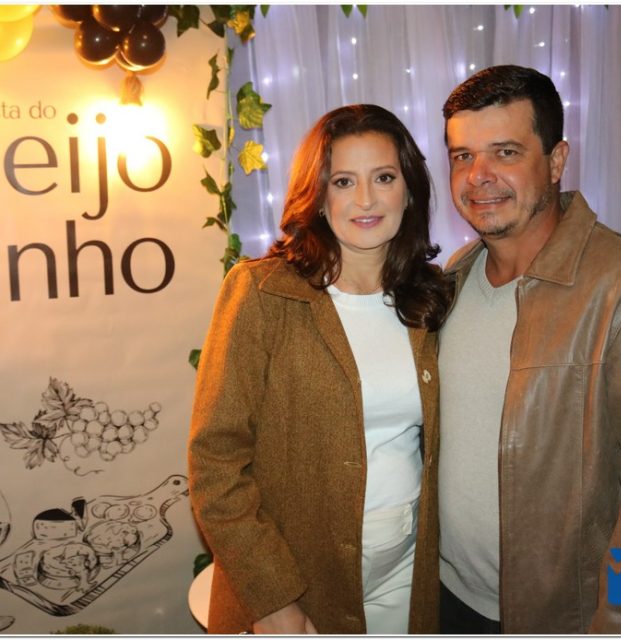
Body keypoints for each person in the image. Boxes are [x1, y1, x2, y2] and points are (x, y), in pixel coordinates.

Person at [188, 104, 452, 634]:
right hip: (296, 577)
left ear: (409, 190)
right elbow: (215, 461)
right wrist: (271, 598)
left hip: (407, 570)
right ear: (318, 196)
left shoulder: (431, 296)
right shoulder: (262, 292)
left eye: (384, 177)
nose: (366, 199)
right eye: (343, 181)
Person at [437, 63, 621, 634]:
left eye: (505, 152)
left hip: (558, 620)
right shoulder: (456, 276)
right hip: (446, 600)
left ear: (556, 161)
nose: (478, 176)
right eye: (462, 156)